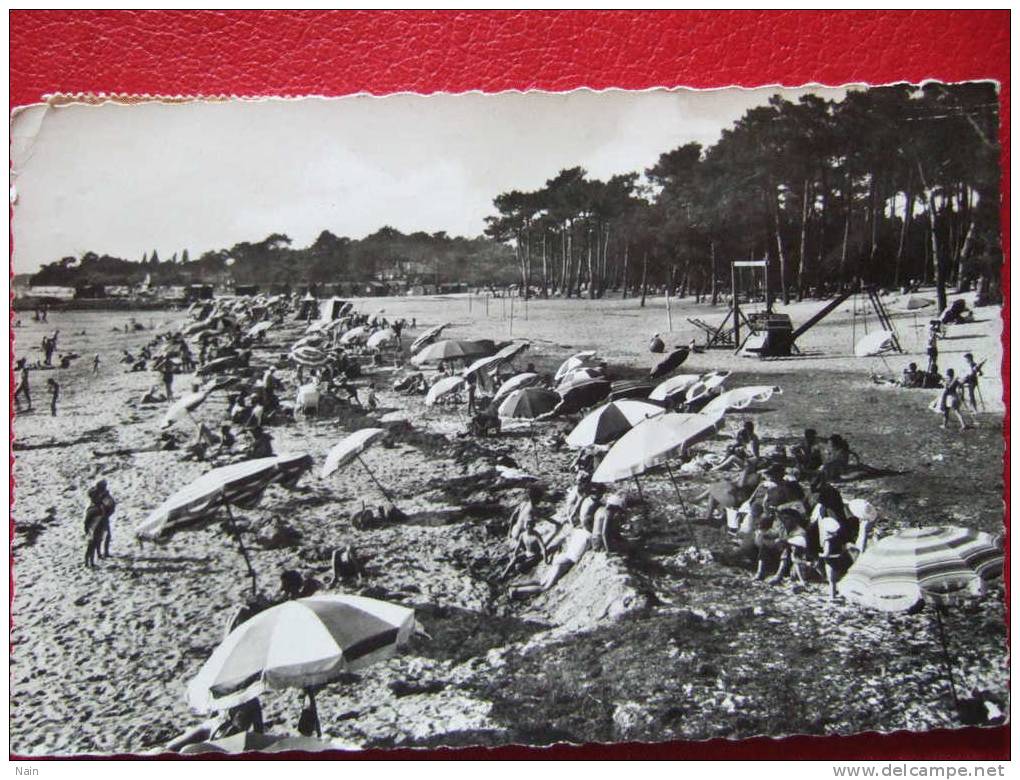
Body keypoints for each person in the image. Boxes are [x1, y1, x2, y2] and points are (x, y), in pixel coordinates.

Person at [508, 527, 591, 598]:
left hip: (561, 557)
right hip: (565, 562)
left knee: (541, 581)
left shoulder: (578, 531)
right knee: (545, 587)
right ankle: (516, 591)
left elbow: (567, 540)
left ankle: (514, 584)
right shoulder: (589, 536)